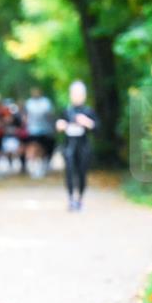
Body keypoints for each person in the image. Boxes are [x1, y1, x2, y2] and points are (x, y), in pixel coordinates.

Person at [56, 80, 97, 211]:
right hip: (69, 146)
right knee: (69, 171)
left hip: (83, 146)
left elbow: (97, 128)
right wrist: (60, 126)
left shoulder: (88, 111)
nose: (77, 96)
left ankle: (80, 200)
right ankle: (70, 199)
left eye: (79, 93)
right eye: (74, 93)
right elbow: (58, 126)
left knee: (81, 173)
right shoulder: (66, 111)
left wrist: (87, 123)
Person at [24, 87, 55, 178]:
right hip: (32, 130)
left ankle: (42, 167)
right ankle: (33, 168)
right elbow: (26, 116)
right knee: (33, 148)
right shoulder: (29, 103)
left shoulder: (46, 103)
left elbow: (50, 115)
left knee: (43, 150)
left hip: (45, 130)